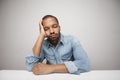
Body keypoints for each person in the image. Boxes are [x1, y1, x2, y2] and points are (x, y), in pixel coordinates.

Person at [25, 15, 90, 75]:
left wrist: (51, 68)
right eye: (46, 29)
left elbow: (85, 64)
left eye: (54, 26)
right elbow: (31, 66)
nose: (52, 31)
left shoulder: (72, 40)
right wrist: (41, 36)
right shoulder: (43, 44)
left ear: (59, 28)